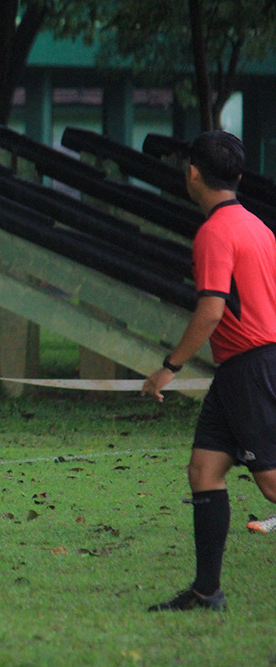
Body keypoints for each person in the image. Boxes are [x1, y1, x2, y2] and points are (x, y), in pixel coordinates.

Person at [142, 130, 276, 611]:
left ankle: (207, 590)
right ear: (237, 176)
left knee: (272, 483)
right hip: (243, 367)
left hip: (249, 366)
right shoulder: (258, 227)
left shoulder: (215, 232)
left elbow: (211, 311)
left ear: (192, 173)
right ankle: (206, 591)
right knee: (204, 470)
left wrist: (168, 368)